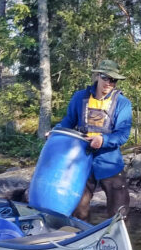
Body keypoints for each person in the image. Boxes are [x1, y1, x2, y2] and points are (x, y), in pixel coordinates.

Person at [54, 59, 132, 221]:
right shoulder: (79, 97)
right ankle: (79, 240)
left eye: (113, 80)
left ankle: (117, 241)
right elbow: (68, 123)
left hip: (110, 164)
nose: (109, 83)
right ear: (97, 76)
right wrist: (55, 133)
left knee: (119, 215)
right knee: (78, 212)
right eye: (105, 77)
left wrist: (102, 140)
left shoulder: (123, 104)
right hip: (81, 162)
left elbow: (123, 134)